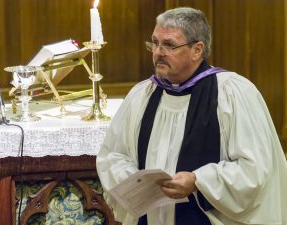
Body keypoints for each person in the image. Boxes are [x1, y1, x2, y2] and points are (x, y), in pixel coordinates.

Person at [96, 7, 287, 225]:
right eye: (154, 43)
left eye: (168, 45)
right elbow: (112, 155)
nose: (158, 52)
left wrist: (198, 181)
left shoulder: (232, 93)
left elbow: (254, 170)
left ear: (197, 50)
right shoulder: (142, 95)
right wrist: (135, 182)